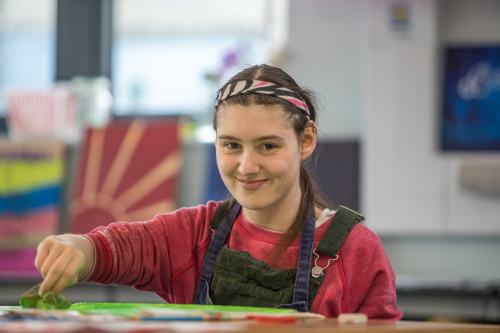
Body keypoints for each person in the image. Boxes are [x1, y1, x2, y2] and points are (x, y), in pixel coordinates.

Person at [35, 64, 402, 320]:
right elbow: (117, 249)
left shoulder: (355, 252)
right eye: (231, 146)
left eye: (268, 146)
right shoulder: (195, 234)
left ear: (305, 140)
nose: (246, 166)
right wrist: (77, 249)